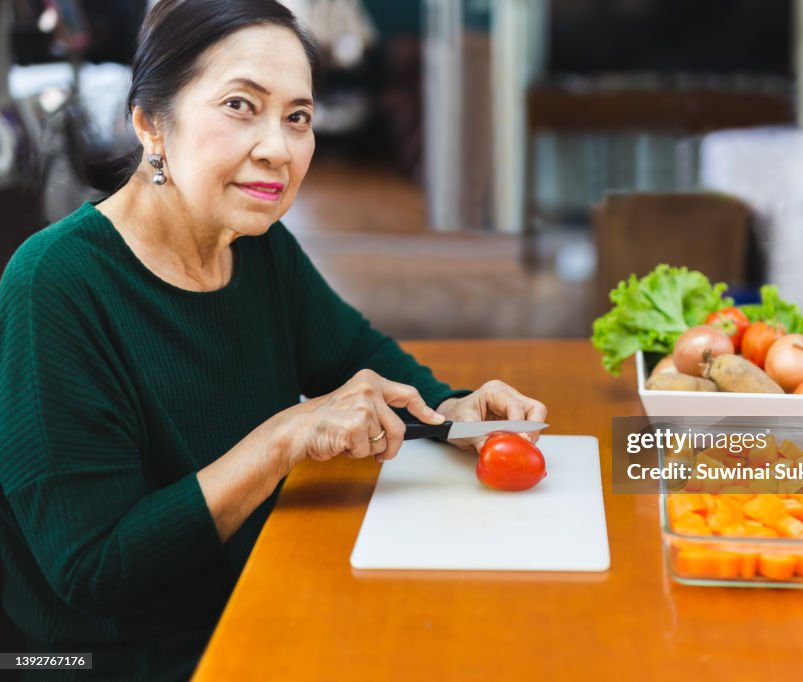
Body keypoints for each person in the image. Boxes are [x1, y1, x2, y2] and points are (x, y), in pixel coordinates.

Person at [0, 1, 547, 679]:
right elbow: (95, 570)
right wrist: (284, 436)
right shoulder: (55, 283)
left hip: (256, 594)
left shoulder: (254, 245)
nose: (279, 148)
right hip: (120, 658)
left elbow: (354, 358)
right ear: (151, 124)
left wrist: (451, 408)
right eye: (239, 105)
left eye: (298, 117)